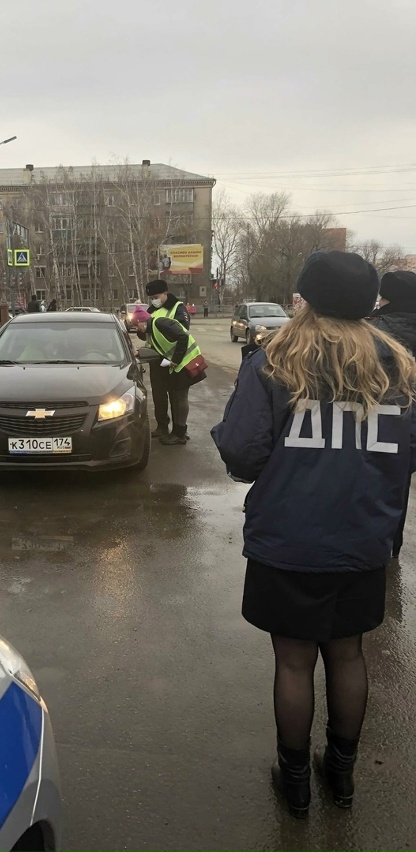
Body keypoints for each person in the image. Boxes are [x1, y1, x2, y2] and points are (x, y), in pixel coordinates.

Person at [211, 251, 416, 819]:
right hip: (364, 539)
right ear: (368, 301)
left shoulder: (276, 359)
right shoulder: (399, 367)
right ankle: (342, 778)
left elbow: (241, 450)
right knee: (348, 654)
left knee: (294, 662)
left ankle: (296, 781)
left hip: (289, 539)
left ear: (308, 298)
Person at [368, 270, 416, 558]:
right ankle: (391, 548)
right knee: (399, 485)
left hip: (375, 426)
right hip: (407, 434)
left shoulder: (373, 332)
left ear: (386, 299)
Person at [132, 306, 204, 444]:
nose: (136, 328)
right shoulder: (153, 329)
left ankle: (180, 434)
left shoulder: (160, 323)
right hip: (181, 364)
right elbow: (159, 350)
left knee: (180, 398)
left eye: (136, 325)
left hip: (186, 362)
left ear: (142, 320)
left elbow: (183, 336)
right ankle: (178, 432)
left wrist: (175, 360)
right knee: (178, 398)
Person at [138, 280, 191, 440]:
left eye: (156, 296)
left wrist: (175, 359)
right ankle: (162, 426)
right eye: (151, 297)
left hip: (175, 361)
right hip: (157, 359)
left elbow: (183, 332)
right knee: (159, 395)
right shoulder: (151, 310)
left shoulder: (178, 308)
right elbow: (145, 335)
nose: (153, 300)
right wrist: (140, 328)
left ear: (165, 293)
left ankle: (179, 431)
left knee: (178, 396)